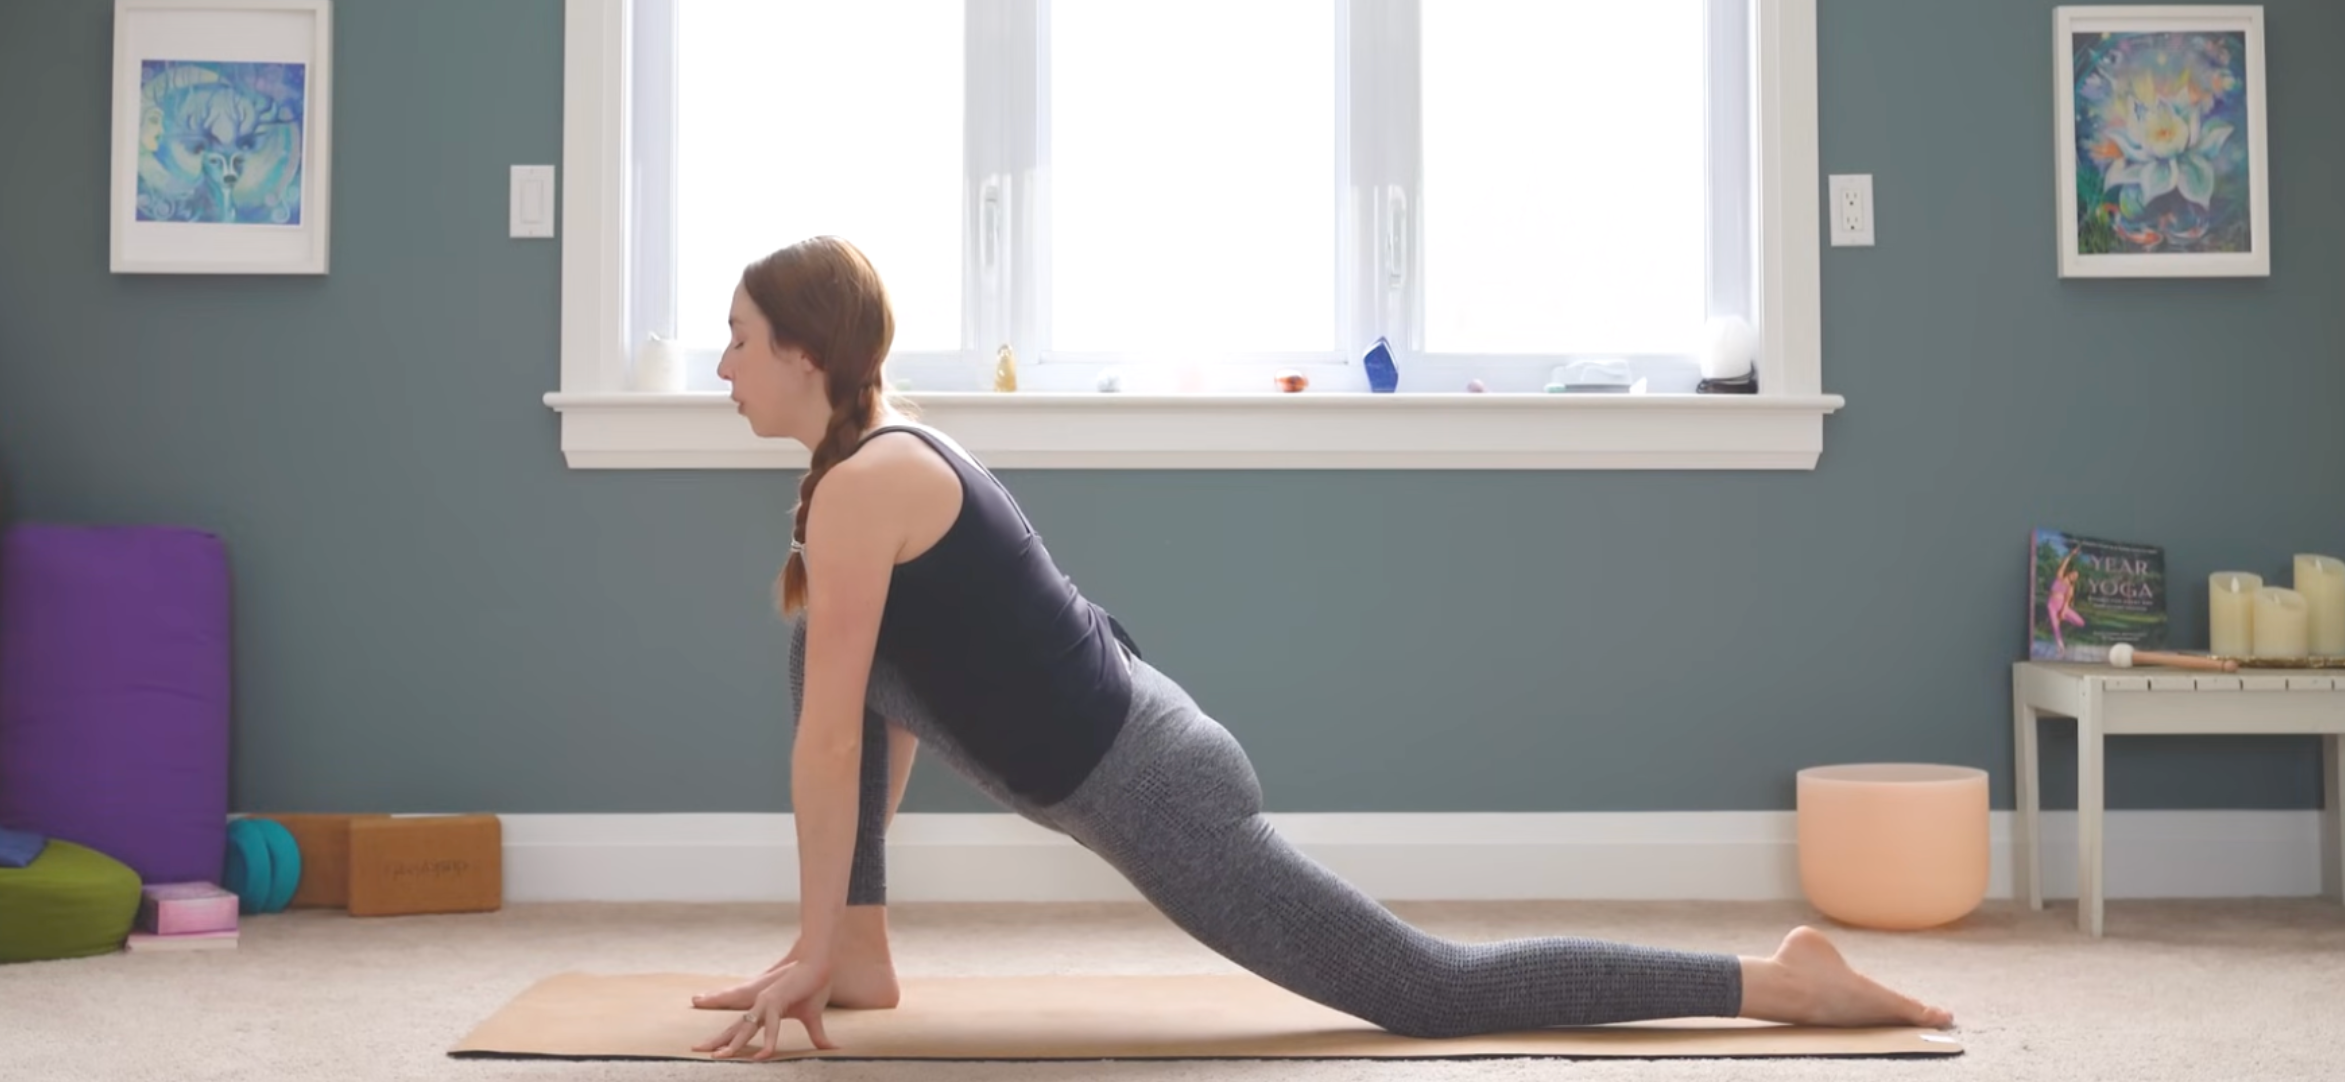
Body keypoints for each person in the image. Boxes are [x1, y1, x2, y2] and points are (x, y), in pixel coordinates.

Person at [690, 236, 1954, 1062]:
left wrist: (795, 940)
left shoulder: (866, 483)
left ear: (803, 355)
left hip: (1155, 788)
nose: (723, 364)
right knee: (826, 649)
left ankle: (1775, 983)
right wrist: (835, 929)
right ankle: (858, 954)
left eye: (738, 338)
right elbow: (866, 698)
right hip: (1131, 731)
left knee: (1425, 993)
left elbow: (837, 737)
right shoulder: (859, 465)